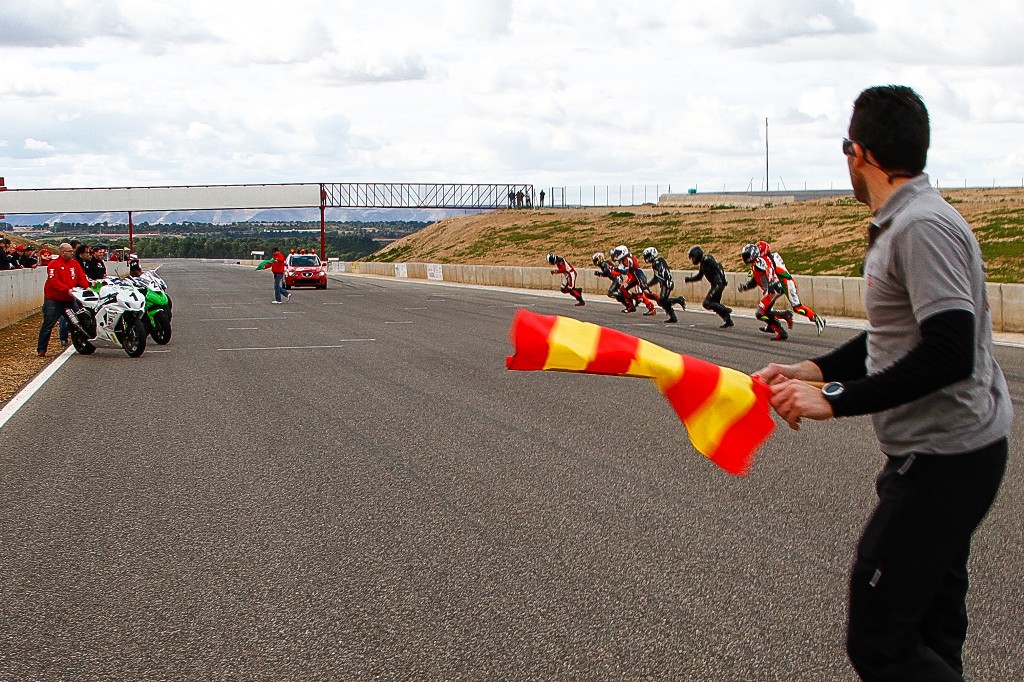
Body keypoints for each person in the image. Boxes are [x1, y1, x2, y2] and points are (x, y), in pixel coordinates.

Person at [753, 85, 1012, 682]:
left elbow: (948, 350)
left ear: (861, 153)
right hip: (954, 451)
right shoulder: (911, 220)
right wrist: (811, 371)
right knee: (931, 630)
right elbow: (896, 340)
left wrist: (833, 400)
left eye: (846, 146)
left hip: (944, 458)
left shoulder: (919, 228)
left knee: (878, 637)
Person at [756, 240, 827, 335]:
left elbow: (774, 270)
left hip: (786, 282)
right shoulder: (772, 257)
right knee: (768, 305)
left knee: (797, 307)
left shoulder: (768, 259)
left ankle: (817, 319)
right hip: (779, 283)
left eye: (759, 251)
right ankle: (771, 326)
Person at [36, 242, 90, 357]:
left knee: (78, 321)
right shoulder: (54, 264)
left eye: (72, 251)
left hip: (69, 299)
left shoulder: (74, 264)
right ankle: (41, 349)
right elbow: (53, 281)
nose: (72, 253)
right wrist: (67, 289)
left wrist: (87, 287)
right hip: (54, 299)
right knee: (48, 324)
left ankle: (84, 343)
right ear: (62, 252)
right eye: (69, 251)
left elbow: (81, 277)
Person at [738, 242, 792, 340]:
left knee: (760, 313)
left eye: (746, 255)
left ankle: (783, 320)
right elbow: (755, 281)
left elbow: (770, 270)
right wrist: (745, 287)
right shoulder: (755, 264)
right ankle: (778, 324)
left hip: (774, 289)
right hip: (772, 289)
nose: (744, 258)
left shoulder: (760, 261)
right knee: (765, 312)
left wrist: (771, 285)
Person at [684, 245, 733, 328]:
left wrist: (723, 279)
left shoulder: (707, 259)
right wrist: (690, 279)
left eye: (693, 258)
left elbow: (718, 267)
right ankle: (728, 320)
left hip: (718, 284)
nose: (693, 260)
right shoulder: (703, 263)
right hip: (716, 284)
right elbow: (699, 276)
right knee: (715, 304)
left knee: (707, 303)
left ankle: (726, 310)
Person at [641, 247, 686, 323]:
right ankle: (673, 317)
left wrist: (648, 284)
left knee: (662, 301)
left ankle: (679, 299)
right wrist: (648, 284)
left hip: (666, 283)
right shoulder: (658, 261)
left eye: (647, 256)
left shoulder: (657, 262)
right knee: (662, 302)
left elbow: (658, 276)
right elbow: (657, 277)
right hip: (665, 283)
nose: (646, 258)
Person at [611, 245, 657, 315]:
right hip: (633, 277)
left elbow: (624, 271)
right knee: (623, 289)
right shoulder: (623, 260)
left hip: (638, 277)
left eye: (618, 253)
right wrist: (614, 270)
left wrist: (616, 269)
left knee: (642, 295)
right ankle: (631, 306)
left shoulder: (628, 259)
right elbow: (618, 271)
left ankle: (652, 307)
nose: (617, 255)